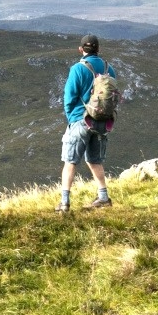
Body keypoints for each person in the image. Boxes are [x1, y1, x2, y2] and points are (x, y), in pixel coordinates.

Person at [58, 34, 114, 212]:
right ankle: (103, 196)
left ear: (81, 50)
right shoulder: (108, 68)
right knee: (95, 160)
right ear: (99, 49)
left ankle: (65, 202)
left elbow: (69, 97)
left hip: (80, 120)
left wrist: (71, 118)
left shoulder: (78, 68)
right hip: (102, 121)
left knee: (70, 161)